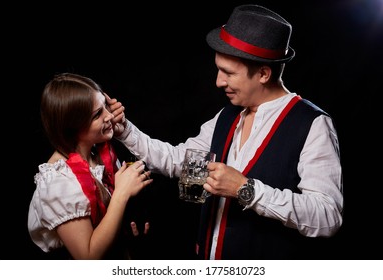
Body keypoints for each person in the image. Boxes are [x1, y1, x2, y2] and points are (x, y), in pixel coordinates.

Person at [108, 4, 343, 259]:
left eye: (228, 73)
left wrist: (245, 188)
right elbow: (178, 160)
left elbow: (327, 216)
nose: (219, 82)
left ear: (264, 73)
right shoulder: (228, 115)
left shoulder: (312, 124)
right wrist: (124, 131)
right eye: (219, 69)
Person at [28, 73, 153, 260]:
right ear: (72, 128)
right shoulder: (59, 182)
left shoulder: (99, 154)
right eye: (97, 114)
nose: (110, 115)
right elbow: (88, 258)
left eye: (105, 106)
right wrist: (121, 194)